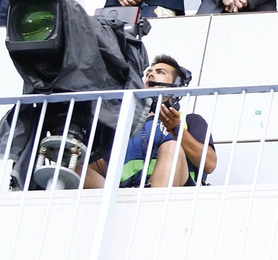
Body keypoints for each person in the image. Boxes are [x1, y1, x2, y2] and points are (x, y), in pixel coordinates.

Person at [85, 55, 216, 189]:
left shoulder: (190, 121)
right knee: (77, 165)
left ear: (176, 85)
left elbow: (209, 164)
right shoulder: (126, 125)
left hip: (176, 193)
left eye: (160, 72)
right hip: (124, 193)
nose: (151, 74)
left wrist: (177, 129)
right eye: (148, 73)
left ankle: (153, 204)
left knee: (172, 147)